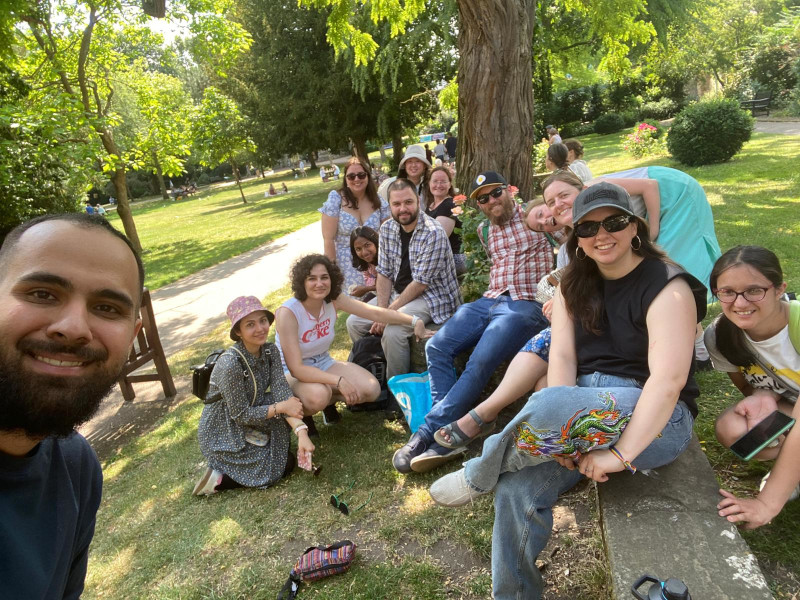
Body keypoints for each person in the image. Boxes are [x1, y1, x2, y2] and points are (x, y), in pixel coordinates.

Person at [430, 182, 707, 600]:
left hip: (655, 418)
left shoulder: (668, 286)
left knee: (548, 405)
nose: (602, 235)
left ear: (635, 226)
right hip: (577, 412)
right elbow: (561, 360)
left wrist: (618, 455)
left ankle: (477, 473)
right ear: (575, 236)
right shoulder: (571, 285)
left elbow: (667, 384)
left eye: (614, 222)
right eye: (588, 227)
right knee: (515, 489)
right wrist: (563, 438)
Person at [0, 213, 144, 599]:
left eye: (108, 308)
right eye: (42, 293)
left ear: (132, 336)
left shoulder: (75, 467)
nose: (74, 327)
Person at [392, 171, 552, 474]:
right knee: (437, 345)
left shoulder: (536, 218)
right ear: (477, 205)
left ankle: (428, 433)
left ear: (509, 192)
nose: (491, 200)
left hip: (525, 305)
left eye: (496, 193)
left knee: (480, 359)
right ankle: (449, 432)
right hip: (489, 301)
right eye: (483, 198)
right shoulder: (484, 230)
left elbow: (564, 229)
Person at [275, 254, 432, 436]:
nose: (319, 283)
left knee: (371, 389)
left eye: (324, 277)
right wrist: (338, 381)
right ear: (302, 282)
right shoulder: (288, 313)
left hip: (322, 362)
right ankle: (303, 415)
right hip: (290, 372)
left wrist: (413, 321)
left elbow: (375, 313)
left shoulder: (333, 299)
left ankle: (328, 402)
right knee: (319, 396)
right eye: (312, 279)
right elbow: (297, 369)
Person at [704, 246, 800, 528]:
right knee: (734, 428)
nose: (740, 302)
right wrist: (764, 395)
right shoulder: (720, 336)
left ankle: (784, 482)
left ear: (779, 288)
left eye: (754, 290)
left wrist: (766, 503)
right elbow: (749, 386)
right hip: (792, 403)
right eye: (727, 292)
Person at [193, 296, 311, 496]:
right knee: (285, 464)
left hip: (251, 412)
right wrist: (281, 408)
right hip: (223, 429)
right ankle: (217, 479)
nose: (260, 329)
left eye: (263, 321)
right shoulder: (230, 364)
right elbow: (241, 415)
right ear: (238, 332)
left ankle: (231, 466)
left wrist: (302, 432)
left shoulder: (270, 351)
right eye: (250, 324)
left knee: (284, 446)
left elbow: (282, 392)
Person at [346, 179, 460, 379]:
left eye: (408, 202)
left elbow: (420, 284)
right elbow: (384, 273)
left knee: (393, 332)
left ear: (418, 201)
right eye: (396, 204)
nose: (403, 209)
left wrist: (386, 315)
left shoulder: (433, 233)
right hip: (400, 295)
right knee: (354, 322)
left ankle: (395, 390)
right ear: (389, 206)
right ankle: (374, 366)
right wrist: (382, 310)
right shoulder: (388, 229)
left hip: (433, 297)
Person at [319, 156, 390, 292]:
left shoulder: (378, 201)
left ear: (368, 177)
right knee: (354, 307)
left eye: (361, 175)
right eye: (351, 176)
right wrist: (332, 272)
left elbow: (388, 234)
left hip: (374, 263)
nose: (356, 179)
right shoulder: (336, 199)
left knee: (378, 304)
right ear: (346, 180)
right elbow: (328, 239)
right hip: (346, 265)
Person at [425, 166, 466, 274]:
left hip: (452, 258)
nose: (438, 185)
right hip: (435, 256)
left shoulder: (449, 205)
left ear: (449, 184)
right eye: (435, 181)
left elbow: (437, 240)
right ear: (429, 183)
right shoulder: (430, 206)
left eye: (443, 181)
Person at [378, 144, 431, 209]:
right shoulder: (388, 185)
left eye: (418, 161)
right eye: (410, 161)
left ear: (424, 165)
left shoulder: (430, 187)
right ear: (405, 165)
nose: (413, 165)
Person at [348, 226, 379, 300]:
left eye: (367, 245)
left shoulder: (385, 259)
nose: (364, 252)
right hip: (376, 292)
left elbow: (390, 286)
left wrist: (365, 289)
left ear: (375, 242)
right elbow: (367, 279)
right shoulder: (366, 263)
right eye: (358, 249)